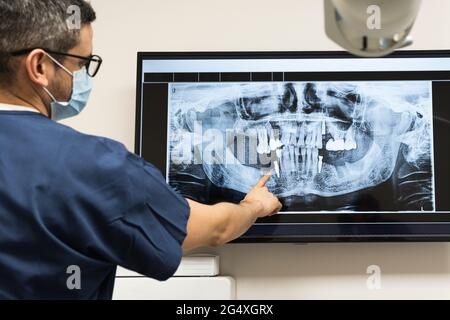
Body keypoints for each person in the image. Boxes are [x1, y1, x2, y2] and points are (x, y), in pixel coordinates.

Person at [0, 0, 282, 299]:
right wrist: (254, 206)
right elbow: (216, 229)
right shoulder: (92, 165)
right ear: (39, 66)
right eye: (80, 64)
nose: (82, 77)